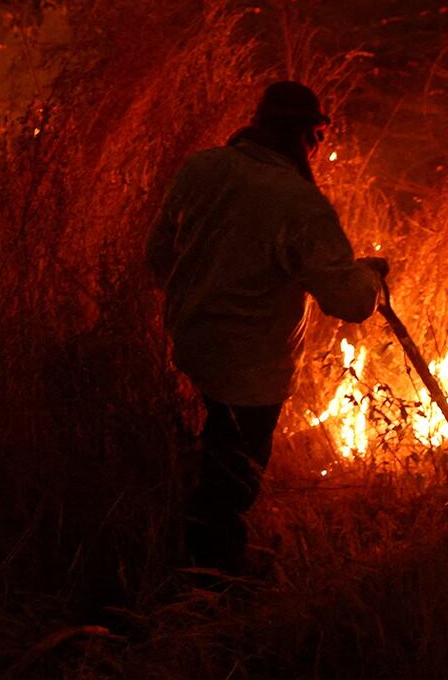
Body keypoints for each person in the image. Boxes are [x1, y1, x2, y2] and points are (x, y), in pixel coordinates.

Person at [145, 80, 387, 575]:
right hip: (251, 372)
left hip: (189, 344)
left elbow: (157, 259)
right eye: (318, 134)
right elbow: (350, 302)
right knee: (233, 479)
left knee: (211, 451)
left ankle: (188, 553)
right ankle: (211, 583)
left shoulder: (201, 168)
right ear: (309, 134)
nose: (319, 146)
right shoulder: (298, 203)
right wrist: (371, 275)